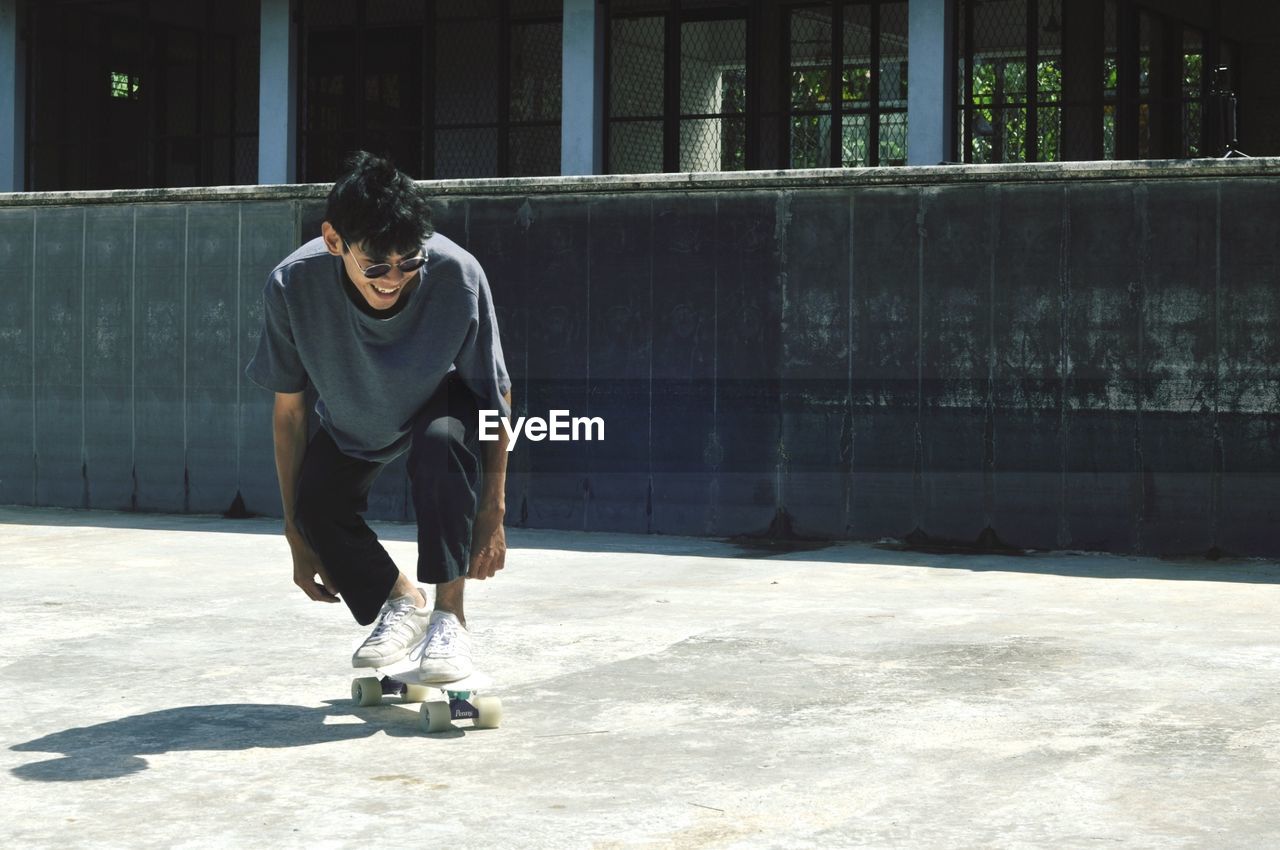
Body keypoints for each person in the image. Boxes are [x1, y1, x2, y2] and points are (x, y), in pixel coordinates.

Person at [245, 151, 512, 682]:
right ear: (333, 240)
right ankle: (403, 603)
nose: (393, 279)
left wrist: (492, 510)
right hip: (355, 412)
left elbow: (496, 397)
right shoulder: (292, 285)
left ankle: (448, 617)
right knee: (315, 503)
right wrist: (296, 533)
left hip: (440, 401)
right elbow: (291, 415)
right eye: (375, 266)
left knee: (440, 442)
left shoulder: (457, 274)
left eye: (409, 261)